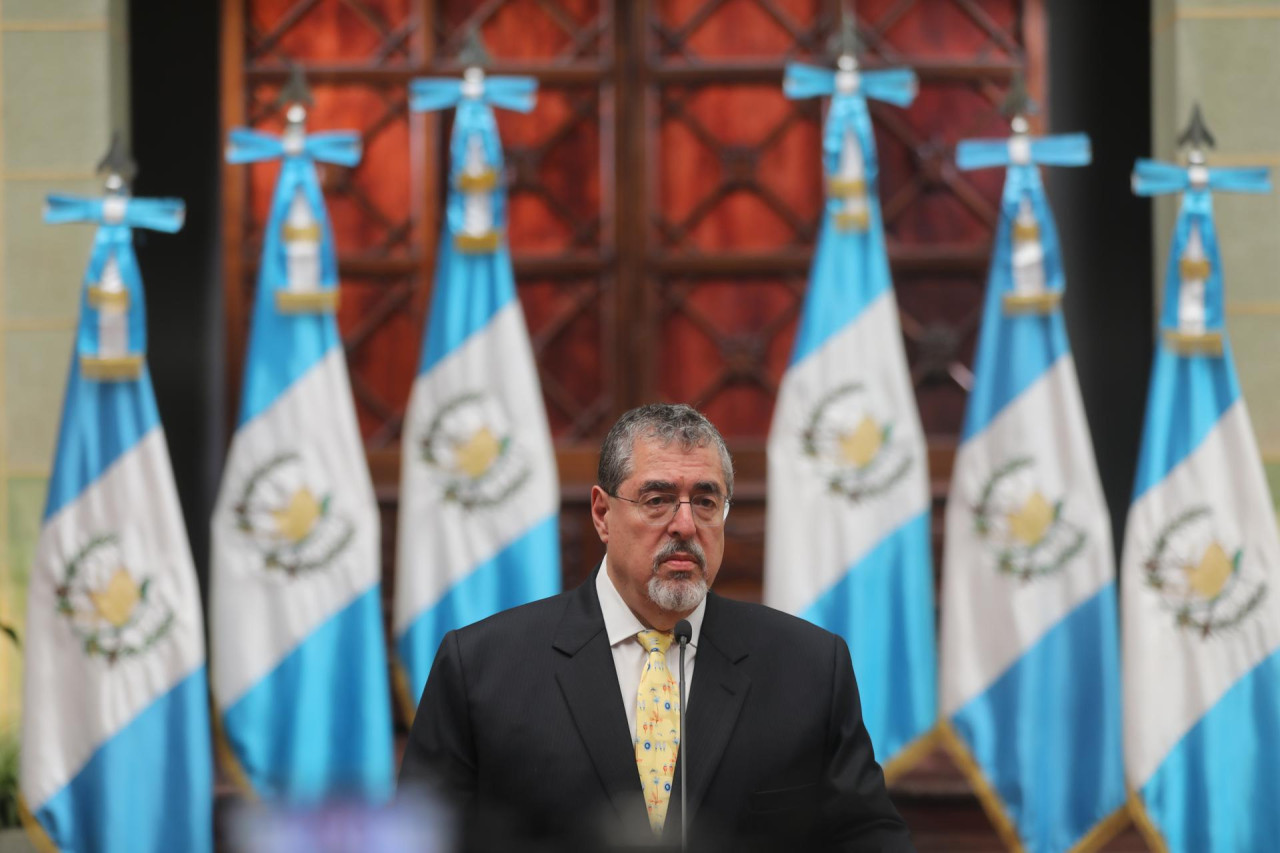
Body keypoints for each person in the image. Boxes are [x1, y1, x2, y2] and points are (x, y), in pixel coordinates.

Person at [399, 404, 913, 852]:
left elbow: (868, 839)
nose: (685, 525)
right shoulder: (484, 668)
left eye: (706, 501)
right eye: (657, 499)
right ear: (602, 514)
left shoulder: (808, 667)